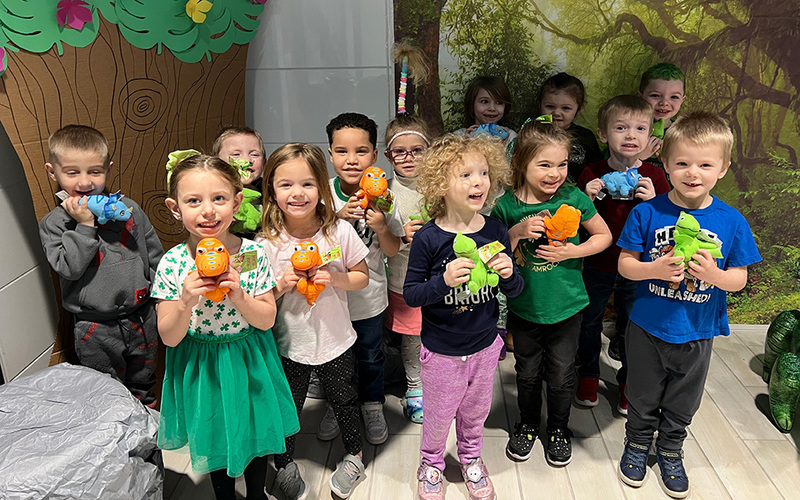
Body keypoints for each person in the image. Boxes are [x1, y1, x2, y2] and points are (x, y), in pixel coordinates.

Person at [615, 112, 760, 498]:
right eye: (681, 163)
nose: (692, 173)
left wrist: (714, 276)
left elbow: (740, 278)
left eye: (705, 164)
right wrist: (654, 267)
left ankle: (671, 447)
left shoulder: (731, 221)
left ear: (723, 168)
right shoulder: (646, 212)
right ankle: (637, 442)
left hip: (698, 329)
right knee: (643, 394)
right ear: (665, 164)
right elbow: (625, 266)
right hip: (647, 325)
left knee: (684, 398)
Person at [153, 153, 299, 500]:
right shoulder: (172, 263)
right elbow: (169, 337)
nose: (208, 211)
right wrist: (186, 301)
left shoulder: (251, 254)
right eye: (193, 201)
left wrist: (240, 296)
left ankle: (257, 493)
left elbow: (266, 319)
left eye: (219, 198)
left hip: (249, 356)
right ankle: (224, 496)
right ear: (176, 208)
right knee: (214, 430)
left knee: (256, 427)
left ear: (236, 203)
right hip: (202, 365)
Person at [404, 134, 524, 500]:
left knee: (475, 413)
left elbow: (515, 291)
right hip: (441, 350)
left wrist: (509, 274)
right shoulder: (428, 238)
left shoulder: (495, 230)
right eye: (466, 175)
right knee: (439, 417)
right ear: (441, 184)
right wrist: (443, 282)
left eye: (484, 173)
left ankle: (471, 458)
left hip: (486, 346)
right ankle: (431, 463)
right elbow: (412, 295)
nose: (479, 182)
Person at [492, 118, 611, 466]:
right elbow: (495, 251)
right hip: (525, 306)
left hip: (567, 306)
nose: (555, 173)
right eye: (544, 164)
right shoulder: (507, 205)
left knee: (561, 374)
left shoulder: (572, 197)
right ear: (521, 164)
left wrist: (571, 251)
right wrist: (515, 231)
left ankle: (558, 428)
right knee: (527, 373)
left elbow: (604, 237)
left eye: (561, 164)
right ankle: (528, 423)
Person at [256, 143, 370, 500]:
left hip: (337, 338)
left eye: (307, 184)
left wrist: (334, 279)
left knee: (345, 399)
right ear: (271, 191)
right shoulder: (265, 243)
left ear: (321, 186)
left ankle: (355, 455)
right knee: (288, 404)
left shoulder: (339, 232)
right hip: (289, 344)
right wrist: (280, 286)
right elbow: (259, 300)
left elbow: (362, 276)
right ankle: (284, 462)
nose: (297, 193)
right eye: (285, 184)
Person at [39, 125, 163, 407]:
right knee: (103, 391)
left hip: (142, 317)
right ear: (52, 172)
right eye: (72, 172)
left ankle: (149, 440)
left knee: (144, 383)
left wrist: (161, 297)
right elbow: (68, 269)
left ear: (108, 168)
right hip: (95, 325)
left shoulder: (128, 209)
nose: (84, 182)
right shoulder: (54, 224)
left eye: (95, 171)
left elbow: (154, 255)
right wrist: (84, 225)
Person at [575, 95, 671, 414]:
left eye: (640, 128)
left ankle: (630, 380)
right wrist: (584, 199)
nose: (631, 135)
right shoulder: (592, 171)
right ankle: (588, 374)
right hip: (598, 264)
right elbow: (573, 220)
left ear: (649, 136)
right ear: (603, 134)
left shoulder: (655, 177)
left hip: (640, 267)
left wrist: (654, 202)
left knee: (633, 326)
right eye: (621, 128)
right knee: (589, 323)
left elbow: (667, 227)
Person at [322, 112, 404, 446]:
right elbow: (308, 243)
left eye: (361, 151)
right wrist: (335, 217)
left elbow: (393, 250)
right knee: (334, 359)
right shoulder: (322, 195)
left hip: (369, 298)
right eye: (341, 151)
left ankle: (372, 404)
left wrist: (382, 225)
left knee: (370, 355)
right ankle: (337, 406)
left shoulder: (386, 197)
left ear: (374, 155)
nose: (351, 160)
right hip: (330, 300)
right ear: (330, 154)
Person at [383, 114, 432, 423]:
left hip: (442, 279)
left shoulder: (439, 188)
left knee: (439, 335)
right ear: (388, 155)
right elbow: (381, 240)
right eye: (400, 151)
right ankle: (414, 388)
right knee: (412, 338)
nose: (409, 157)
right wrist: (403, 238)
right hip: (403, 279)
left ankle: (440, 384)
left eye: (417, 150)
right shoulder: (385, 194)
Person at [537, 72, 603, 182]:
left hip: (578, 194)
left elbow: (597, 170)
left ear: (578, 110)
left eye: (566, 108)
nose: (557, 113)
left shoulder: (585, 137)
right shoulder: (533, 133)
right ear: (540, 105)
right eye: (550, 106)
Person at [211, 126, 267, 239]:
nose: (246, 160)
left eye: (254, 154)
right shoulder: (212, 192)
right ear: (216, 163)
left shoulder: (269, 190)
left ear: (264, 162)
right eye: (236, 154)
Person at [637, 63, 687, 169]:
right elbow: (608, 170)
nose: (664, 103)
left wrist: (672, 162)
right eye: (655, 95)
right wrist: (637, 158)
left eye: (674, 97)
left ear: (682, 100)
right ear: (640, 97)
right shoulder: (627, 130)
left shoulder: (685, 134)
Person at [455, 75, 517, 147]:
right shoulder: (458, 137)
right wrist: (466, 144)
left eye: (499, 103)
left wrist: (501, 147)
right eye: (484, 101)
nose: (492, 108)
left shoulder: (510, 137)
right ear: (471, 104)